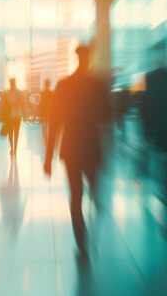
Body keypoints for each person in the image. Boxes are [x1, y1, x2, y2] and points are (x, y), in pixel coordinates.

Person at [44, 45, 111, 253]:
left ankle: (80, 238)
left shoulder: (64, 86)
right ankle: (92, 199)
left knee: (75, 194)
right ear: (88, 58)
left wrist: (48, 157)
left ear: (76, 58)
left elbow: (54, 122)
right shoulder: (97, 85)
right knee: (92, 186)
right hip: (91, 145)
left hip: (71, 146)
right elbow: (106, 117)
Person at [141, 40, 167, 213]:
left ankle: (164, 190)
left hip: (156, 125)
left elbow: (146, 104)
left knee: (159, 158)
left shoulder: (149, 78)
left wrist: (146, 128)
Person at [3, 78, 24, 157]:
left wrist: (25, 114)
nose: (12, 84)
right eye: (11, 83)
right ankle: (12, 147)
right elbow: (4, 106)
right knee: (10, 133)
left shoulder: (19, 93)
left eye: (12, 83)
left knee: (16, 133)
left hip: (18, 115)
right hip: (9, 116)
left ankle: (15, 148)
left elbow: (22, 104)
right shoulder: (7, 94)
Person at [39, 79, 53, 146]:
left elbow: (41, 104)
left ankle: (46, 142)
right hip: (50, 113)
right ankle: (48, 142)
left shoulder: (43, 93)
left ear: (45, 84)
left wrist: (37, 116)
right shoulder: (51, 93)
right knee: (49, 128)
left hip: (44, 113)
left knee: (44, 129)